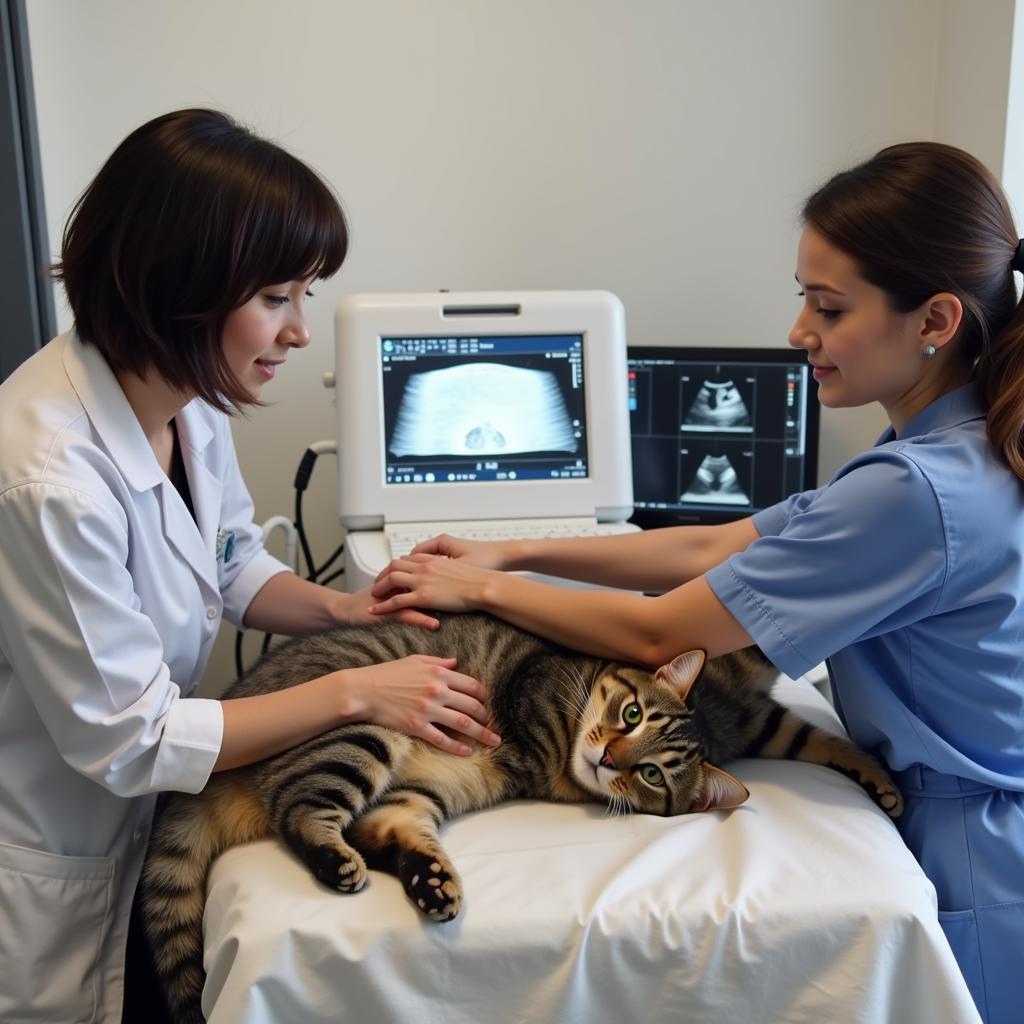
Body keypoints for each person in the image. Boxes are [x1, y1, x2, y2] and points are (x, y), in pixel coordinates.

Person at [369, 141, 1024, 1024]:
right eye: (804, 297)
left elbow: (658, 634)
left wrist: (480, 594)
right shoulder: (943, 449)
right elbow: (712, 546)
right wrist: (509, 554)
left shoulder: (916, 494)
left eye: (828, 308)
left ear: (934, 319)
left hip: (976, 856)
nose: (800, 332)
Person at [0, 108, 501, 1024]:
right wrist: (361, 693)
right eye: (278, 297)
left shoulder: (183, 401)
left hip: (144, 827)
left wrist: (350, 617)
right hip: (52, 846)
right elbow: (135, 739)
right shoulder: (47, 476)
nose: (300, 331)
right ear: (177, 288)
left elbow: (229, 564)